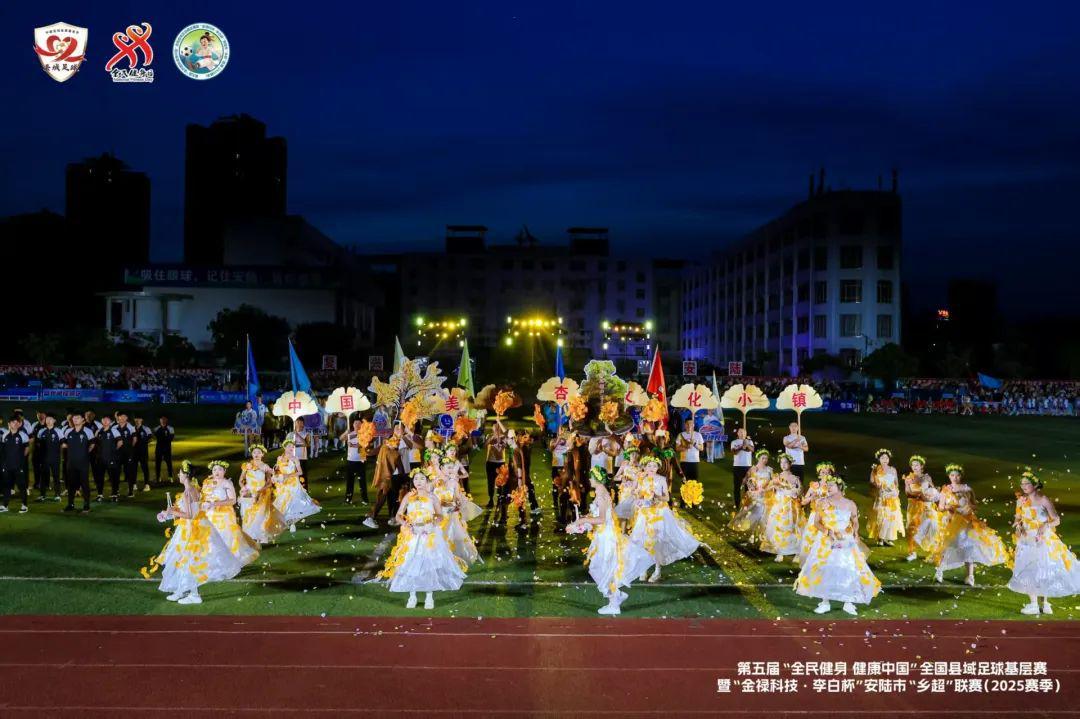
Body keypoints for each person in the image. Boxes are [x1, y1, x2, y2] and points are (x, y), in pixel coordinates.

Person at [566, 466, 653, 615]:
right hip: (602, 534)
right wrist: (581, 526)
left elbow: (601, 519)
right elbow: (599, 517)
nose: (589, 479)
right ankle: (616, 596)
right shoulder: (601, 492)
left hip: (606, 537)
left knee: (602, 569)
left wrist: (582, 521)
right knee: (600, 568)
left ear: (597, 479)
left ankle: (614, 603)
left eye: (591, 477)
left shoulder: (601, 496)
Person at [152, 463, 244, 605]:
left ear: (186, 475)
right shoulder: (191, 489)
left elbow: (190, 515)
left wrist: (172, 512)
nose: (179, 475)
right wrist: (167, 514)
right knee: (181, 560)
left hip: (191, 530)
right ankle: (181, 589)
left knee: (188, 561)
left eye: (180, 473)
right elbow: (188, 511)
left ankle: (194, 595)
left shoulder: (189, 491)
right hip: (188, 528)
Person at [377, 468, 467, 609]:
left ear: (427, 481)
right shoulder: (408, 496)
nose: (418, 482)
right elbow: (399, 515)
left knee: (428, 565)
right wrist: (406, 523)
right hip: (412, 535)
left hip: (429, 534)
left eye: (422, 479)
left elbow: (439, 515)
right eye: (416, 479)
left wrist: (432, 525)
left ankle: (429, 597)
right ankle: (412, 596)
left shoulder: (432, 497)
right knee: (411, 563)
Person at [794, 476, 881, 615]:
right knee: (826, 568)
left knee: (849, 568)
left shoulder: (850, 504)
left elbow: (855, 521)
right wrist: (827, 532)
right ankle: (825, 602)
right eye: (827, 485)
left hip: (845, 540)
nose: (828, 487)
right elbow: (816, 522)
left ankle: (848, 602)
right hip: (827, 540)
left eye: (831, 485)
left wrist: (855, 532)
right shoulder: (822, 502)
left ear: (839, 487)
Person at [1009, 470, 1080, 615]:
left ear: (1035, 485)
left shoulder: (1043, 500)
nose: (1024, 486)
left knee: (1043, 568)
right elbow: (1017, 518)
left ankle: (1045, 603)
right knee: (1029, 569)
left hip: (1042, 538)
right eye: (1022, 484)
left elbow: (1056, 519)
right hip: (1027, 539)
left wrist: (1046, 525)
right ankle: (1034, 604)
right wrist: (1018, 525)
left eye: (1027, 483)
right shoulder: (1020, 501)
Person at [931, 464, 1010, 586]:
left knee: (968, 546)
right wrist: (950, 507)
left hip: (967, 522)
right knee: (947, 547)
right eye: (952, 475)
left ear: (961, 476)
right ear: (949, 476)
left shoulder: (967, 489)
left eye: (957, 475)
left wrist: (968, 506)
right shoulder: (946, 490)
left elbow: (974, 505)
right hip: (952, 522)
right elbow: (941, 507)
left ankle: (970, 576)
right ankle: (939, 572)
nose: (955, 477)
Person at [629, 455, 700, 583]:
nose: (651, 468)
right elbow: (636, 493)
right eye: (649, 466)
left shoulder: (661, 479)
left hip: (659, 514)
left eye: (654, 466)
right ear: (644, 467)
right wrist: (638, 499)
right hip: (645, 513)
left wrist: (657, 496)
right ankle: (644, 568)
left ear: (658, 468)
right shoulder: (641, 479)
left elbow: (667, 497)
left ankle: (657, 570)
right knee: (642, 540)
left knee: (657, 541)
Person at [200, 460, 260, 566]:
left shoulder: (226, 483)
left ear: (224, 471)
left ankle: (229, 558)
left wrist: (214, 504)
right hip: (210, 514)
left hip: (224, 515)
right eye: (214, 470)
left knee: (226, 536)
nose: (217, 472)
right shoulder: (207, 483)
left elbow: (233, 500)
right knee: (211, 537)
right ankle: (213, 558)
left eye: (219, 469)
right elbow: (204, 497)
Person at [435, 454, 483, 566]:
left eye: (452, 468)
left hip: (451, 513)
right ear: (442, 468)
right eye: (448, 467)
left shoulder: (454, 483)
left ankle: (454, 557)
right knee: (439, 535)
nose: (451, 470)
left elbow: (457, 498)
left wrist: (457, 503)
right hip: (440, 514)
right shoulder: (436, 482)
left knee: (455, 535)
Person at [364, 422, 412, 529]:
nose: (398, 430)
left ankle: (390, 517)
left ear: (404, 430)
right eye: (396, 428)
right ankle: (371, 518)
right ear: (393, 430)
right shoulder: (388, 443)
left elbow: (410, 447)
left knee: (391, 497)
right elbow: (375, 451)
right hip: (388, 475)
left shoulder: (405, 440)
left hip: (395, 474)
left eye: (400, 428)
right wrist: (366, 448)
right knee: (383, 497)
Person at [238, 444, 286, 544]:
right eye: (254, 452)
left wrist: (260, 491)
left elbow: (269, 482)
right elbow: (241, 480)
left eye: (259, 453)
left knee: (260, 515)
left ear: (262, 454)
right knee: (248, 514)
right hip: (249, 493)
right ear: (251, 454)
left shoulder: (265, 467)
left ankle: (260, 536)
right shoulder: (246, 466)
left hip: (262, 492)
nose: (256, 454)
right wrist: (244, 488)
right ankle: (249, 536)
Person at [761, 453, 804, 562]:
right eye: (781, 463)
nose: (783, 465)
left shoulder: (794, 478)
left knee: (791, 525)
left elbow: (800, 491)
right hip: (779, 504)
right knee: (778, 525)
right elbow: (767, 487)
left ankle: (796, 550)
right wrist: (772, 486)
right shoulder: (777, 477)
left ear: (790, 464)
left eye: (785, 463)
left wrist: (794, 491)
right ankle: (779, 550)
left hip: (790, 505)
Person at [272, 439, 321, 532]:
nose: (291, 448)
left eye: (292, 446)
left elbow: (300, 472)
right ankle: (286, 522)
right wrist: (276, 476)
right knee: (284, 503)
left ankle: (292, 523)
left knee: (293, 503)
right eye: (289, 446)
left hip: (293, 484)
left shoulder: (295, 459)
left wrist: (287, 475)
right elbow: (277, 470)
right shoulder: (279, 458)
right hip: (283, 485)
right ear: (284, 447)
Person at [903, 455, 942, 561]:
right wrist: (919, 494)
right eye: (913, 465)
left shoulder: (926, 478)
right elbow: (908, 493)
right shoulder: (909, 478)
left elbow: (933, 490)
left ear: (921, 466)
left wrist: (934, 493)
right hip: (913, 507)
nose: (914, 467)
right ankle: (912, 552)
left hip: (926, 506)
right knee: (912, 529)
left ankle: (933, 551)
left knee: (932, 526)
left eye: (917, 465)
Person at [795, 462, 834, 565]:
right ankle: (810, 561)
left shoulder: (833, 486)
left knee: (825, 537)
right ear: (819, 473)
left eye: (828, 472)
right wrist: (812, 497)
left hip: (828, 516)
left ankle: (824, 561)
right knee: (811, 536)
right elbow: (804, 502)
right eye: (823, 472)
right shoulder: (814, 486)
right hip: (815, 515)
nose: (825, 474)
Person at [730, 449, 771, 543]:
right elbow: (746, 480)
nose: (764, 460)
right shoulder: (753, 469)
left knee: (764, 514)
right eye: (763, 458)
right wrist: (751, 486)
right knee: (754, 513)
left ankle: (761, 533)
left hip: (766, 494)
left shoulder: (769, 470)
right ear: (758, 458)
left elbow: (772, 481)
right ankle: (752, 532)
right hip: (755, 494)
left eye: (766, 458)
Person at [867, 449, 904, 546]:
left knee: (892, 517)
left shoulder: (893, 469)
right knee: (882, 517)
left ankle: (888, 537)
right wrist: (878, 485)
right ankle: (880, 538)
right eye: (882, 458)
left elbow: (896, 482)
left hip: (892, 496)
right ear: (879, 459)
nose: (885, 460)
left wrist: (895, 491)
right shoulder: (876, 469)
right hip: (881, 496)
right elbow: (871, 481)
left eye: (886, 458)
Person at [61, 413, 95, 514]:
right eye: (74, 418)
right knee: (71, 484)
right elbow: (64, 444)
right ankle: (70, 505)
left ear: (83, 420)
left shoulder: (88, 431)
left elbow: (92, 444)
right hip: (71, 463)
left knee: (84, 484)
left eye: (78, 418)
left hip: (83, 463)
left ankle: (86, 506)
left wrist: (84, 453)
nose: (75, 419)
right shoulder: (68, 431)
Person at [0, 417, 31, 514]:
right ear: (9, 424)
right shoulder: (5, 435)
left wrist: (20, 460)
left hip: (18, 466)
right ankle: (5, 505)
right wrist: (4, 465)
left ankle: (24, 505)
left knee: (21, 486)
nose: (15, 424)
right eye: (13, 422)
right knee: (7, 486)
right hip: (7, 466)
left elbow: (27, 449)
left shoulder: (23, 435)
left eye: (17, 422)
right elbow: (3, 451)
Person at [34, 415, 64, 502]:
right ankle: (42, 495)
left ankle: (57, 495)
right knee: (43, 477)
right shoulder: (41, 431)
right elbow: (38, 444)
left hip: (55, 458)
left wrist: (59, 454)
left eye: (51, 419)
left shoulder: (58, 431)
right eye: (47, 419)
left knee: (56, 476)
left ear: (54, 420)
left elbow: (62, 444)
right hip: (44, 459)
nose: (48, 420)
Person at [341, 418, 369, 504]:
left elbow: (363, 445)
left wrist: (352, 445)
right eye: (355, 423)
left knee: (362, 481)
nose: (357, 425)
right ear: (353, 425)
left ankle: (365, 499)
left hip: (361, 460)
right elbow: (341, 438)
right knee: (350, 481)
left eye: (359, 423)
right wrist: (346, 432)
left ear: (361, 425)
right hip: (351, 460)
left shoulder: (364, 434)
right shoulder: (350, 434)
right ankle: (348, 499)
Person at [94, 415, 120, 501]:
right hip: (100, 459)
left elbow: (120, 442)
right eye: (104, 420)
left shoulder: (114, 430)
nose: (105, 421)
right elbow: (95, 443)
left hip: (111, 458)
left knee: (113, 477)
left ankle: (114, 495)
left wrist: (113, 451)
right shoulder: (98, 431)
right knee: (100, 477)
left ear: (110, 422)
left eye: (107, 420)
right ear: (101, 421)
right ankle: (100, 495)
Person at [112, 412, 138, 498]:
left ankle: (130, 491)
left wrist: (129, 449)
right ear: (118, 418)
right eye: (120, 416)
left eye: (124, 416)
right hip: (117, 454)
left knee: (129, 472)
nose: (122, 418)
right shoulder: (114, 428)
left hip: (128, 454)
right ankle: (116, 491)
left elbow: (135, 439)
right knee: (116, 472)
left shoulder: (131, 427)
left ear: (127, 418)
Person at [484, 422, 508, 509]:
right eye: (494, 427)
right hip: (490, 462)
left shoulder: (503, 437)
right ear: (492, 428)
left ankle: (499, 499)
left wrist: (500, 441)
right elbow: (485, 445)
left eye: (498, 427)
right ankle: (491, 499)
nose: (496, 429)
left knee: (500, 481)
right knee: (490, 481)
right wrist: (491, 439)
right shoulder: (489, 436)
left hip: (500, 463)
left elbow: (505, 446)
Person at [675, 418, 704, 490]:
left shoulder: (698, 435)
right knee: (685, 482)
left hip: (695, 461)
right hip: (684, 461)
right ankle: (684, 496)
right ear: (685, 425)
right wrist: (686, 447)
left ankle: (694, 496)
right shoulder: (681, 435)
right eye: (687, 424)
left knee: (694, 482)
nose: (689, 425)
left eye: (691, 423)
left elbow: (701, 448)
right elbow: (677, 448)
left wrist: (694, 444)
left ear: (693, 425)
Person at [729, 427, 754, 506]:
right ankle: (737, 504)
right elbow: (734, 452)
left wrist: (747, 444)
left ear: (746, 433)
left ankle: (747, 504)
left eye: (744, 432)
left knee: (748, 487)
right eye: (740, 432)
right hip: (737, 466)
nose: (742, 434)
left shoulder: (749, 441)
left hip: (747, 466)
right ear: (738, 433)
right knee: (737, 487)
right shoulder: (734, 442)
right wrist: (741, 446)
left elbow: (752, 450)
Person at [153, 416, 175, 484]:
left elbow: (171, 438)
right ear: (160, 420)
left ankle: (170, 477)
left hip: (167, 448)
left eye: (164, 419)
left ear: (166, 420)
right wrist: (164, 438)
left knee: (169, 463)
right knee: (158, 464)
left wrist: (163, 438)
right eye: (161, 419)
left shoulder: (170, 428)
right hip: (159, 448)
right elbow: (156, 437)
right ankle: (158, 477)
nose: (163, 420)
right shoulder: (156, 428)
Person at [133, 417, 153, 492]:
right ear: (134, 420)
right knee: (133, 468)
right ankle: (134, 484)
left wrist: (143, 443)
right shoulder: (132, 428)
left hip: (143, 452)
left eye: (139, 419)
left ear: (141, 420)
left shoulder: (146, 429)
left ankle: (147, 485)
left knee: (145, 468)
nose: (137, 421)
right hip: (134, 452)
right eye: (136, 419)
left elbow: (150, 438)